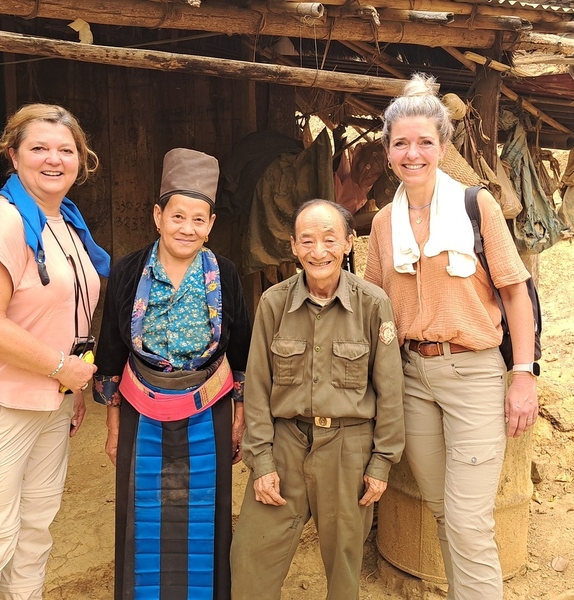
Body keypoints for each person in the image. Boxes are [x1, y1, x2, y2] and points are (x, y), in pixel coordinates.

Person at [364, 73, 539, 599]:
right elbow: (373, 306)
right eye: (401, 142)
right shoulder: (381, 224)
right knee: (444, 511)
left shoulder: (475, 205)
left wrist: (523, 375)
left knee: (467, 521)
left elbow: (515, 293)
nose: (412, 153)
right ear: (388, 150)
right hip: (412, 378)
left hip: (475, 375)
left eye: (423, 142)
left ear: (443, 146)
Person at [0, 103, 110, 600]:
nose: (53, 160)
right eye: (38, 148)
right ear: (13, 156)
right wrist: (64, 368)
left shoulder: (64, 224)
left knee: (34, 532)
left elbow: (62, 316)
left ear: (81, 159)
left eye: (66, 150)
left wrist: (69, 387)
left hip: (50, 402)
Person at [92, 148, 252, 600]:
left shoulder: (224, 273)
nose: (187, 228)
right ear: (158, 216)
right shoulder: (128, 271)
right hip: (142, 408)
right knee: (142, 509)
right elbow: (110, 351)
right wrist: (112, 423)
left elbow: (240, 349)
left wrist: (239, 415)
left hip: (210, 407)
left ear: (211, 225)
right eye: (178, 216)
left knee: (207, 510)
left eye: (199, 220)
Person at [231, 199, 405, 600]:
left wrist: (381, 462)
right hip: (286, 445)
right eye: (307, 240)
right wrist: (262, 460)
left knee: (344, 569)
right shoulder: (274, 303)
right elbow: (256, 388)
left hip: (348, 450)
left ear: (348, 243)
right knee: (249, 561)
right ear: (293, 246)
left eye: (329, 239)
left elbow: (390, 392)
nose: (318, 250)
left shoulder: (373, 304)